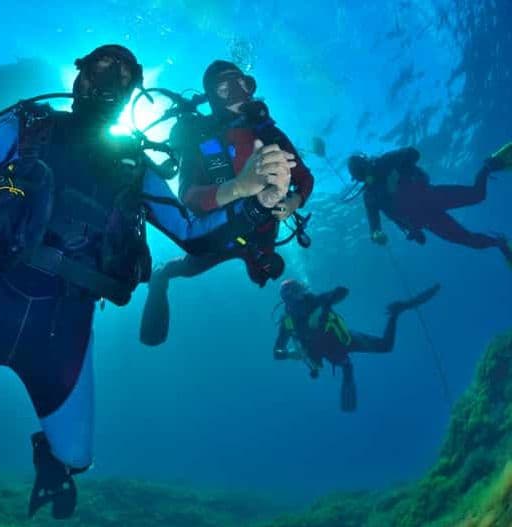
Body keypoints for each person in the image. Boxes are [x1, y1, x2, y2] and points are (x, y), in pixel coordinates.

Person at [0, 45, 294, 519]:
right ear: (79, 76)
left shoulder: (136, 167)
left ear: (133, 96)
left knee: (76, 458)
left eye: (125, 76)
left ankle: (51, 459)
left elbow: (190, 232)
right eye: (102, 67)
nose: (111, 79)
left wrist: (250, 199)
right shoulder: (30, 126)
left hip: (64, 329)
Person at [139, 60, 314, 346]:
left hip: (263, 233)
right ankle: (161, 276)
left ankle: (254, 260)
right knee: (185, 265)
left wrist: (294, 201)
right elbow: (190, 198)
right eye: (224, 89)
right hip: (221, 234)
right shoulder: (204, 139)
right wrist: (238, 187)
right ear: (212, 97)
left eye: (242, 85)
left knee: (267, 274)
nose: (237, 95)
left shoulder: (270, 135)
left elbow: (305, 177)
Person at [273, 279, 440, 412]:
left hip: (346, 339)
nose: (299, 297)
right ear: (286, 300)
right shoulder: (287, 323)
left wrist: (322, 307)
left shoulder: (316, 301)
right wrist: (289, 353)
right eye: (293, 294)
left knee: (386, 346)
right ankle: (347, 370)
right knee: (344, 363)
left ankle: (395, 312)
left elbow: (342, 291)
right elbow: (277, 352)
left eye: (299, 290)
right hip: (324, 351)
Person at [347, 143, 512, 266]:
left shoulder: (385, 162)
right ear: (358, 178)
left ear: (368, 163)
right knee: (467, 240)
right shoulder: (370, 196)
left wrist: (396, 172)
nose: (366, 176)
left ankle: (488, 166)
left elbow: (413, 153)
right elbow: (374, 225)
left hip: (430, 196)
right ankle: (499, 243)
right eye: (361, 175)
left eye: (364, 170)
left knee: (477, 195)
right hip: (423, 219)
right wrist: (378, 235)